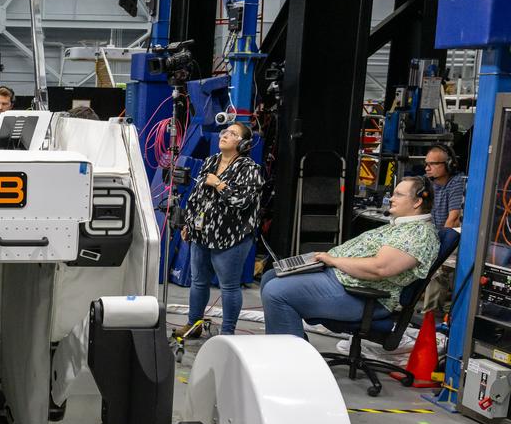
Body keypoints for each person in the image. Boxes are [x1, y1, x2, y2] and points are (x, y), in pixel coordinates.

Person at [260, 176, 439, 338]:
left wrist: (333, 260)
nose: (391, 199)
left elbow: (380, 268)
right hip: (343, 279)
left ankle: (290, 363)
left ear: (417, 202)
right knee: (271, 276)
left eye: (399, 195)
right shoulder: (402, 226)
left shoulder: (418, 234)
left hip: (362, 295)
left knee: (276, 292)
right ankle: (293, 345)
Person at [173, 122, 264, 339]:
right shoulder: (210, 162)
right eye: (224, 132)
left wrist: (219, 184)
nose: (224, 136)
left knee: (229, 286)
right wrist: (188, 224)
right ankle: (193, 324)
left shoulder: (249, 169)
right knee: (198, 281)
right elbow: (196, 197)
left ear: (242, 144)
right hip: (202, 233)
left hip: (232, 237)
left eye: (232, 134)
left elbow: (242, 201)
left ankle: (227, 332)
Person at [421, 144, 465, 312]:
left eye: (432, 164)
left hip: (451, 240)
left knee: (437, 270)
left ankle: (429, 316)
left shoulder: (456, 183)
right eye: (426, 163)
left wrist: (436, 247)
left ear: (449, 165)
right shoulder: (428, 183)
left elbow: (453, 219)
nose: (427, 168)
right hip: (434, 237)